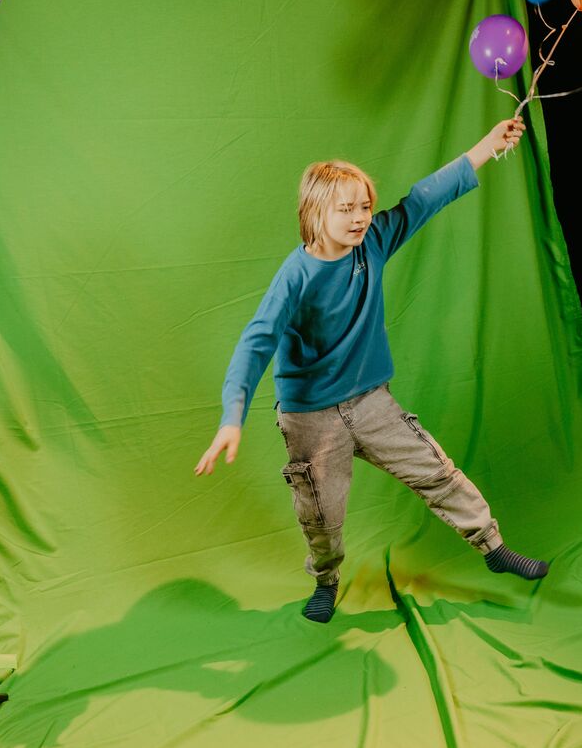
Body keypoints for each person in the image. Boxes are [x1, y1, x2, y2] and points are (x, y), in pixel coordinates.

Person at [194, 117, 548, 623]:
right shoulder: (295, 276)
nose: (361, 217)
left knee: (436, 470)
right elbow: (255, 344)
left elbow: (427, 196)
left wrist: (488, 147)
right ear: (316, 213)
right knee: (322, 514)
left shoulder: (375, 242)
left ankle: (491, 546)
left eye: (365, 206)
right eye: (347, 209)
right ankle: (326, 580)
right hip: (311, 418)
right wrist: (232, 418)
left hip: (369, 402)